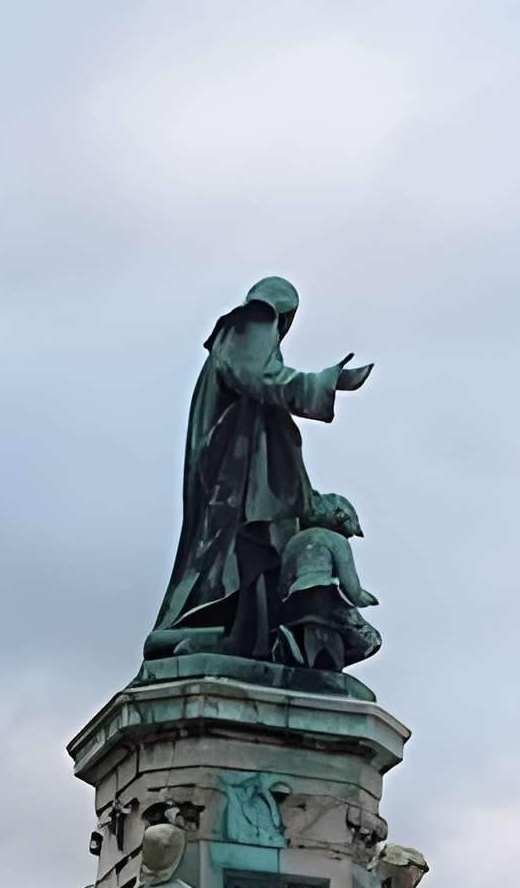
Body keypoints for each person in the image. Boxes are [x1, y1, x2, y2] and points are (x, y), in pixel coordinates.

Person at [144, 278, 372, 664]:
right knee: (236, 561)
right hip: (236, 480)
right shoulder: (248, 324)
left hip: (241, 476)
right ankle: (219, 638)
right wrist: (326, 383)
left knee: (241, 567)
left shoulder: (244, 338)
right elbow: (263, 380)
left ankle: (240, 638)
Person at [274, 491, 381, 673]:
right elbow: (351, 587)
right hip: (325, 598)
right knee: (371, 640)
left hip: (292, 603)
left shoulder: (293, 542)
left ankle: (294, 650)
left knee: (308, 644)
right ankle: (328, 670)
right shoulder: (335, 540)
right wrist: (364, 598)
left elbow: (283, 584)